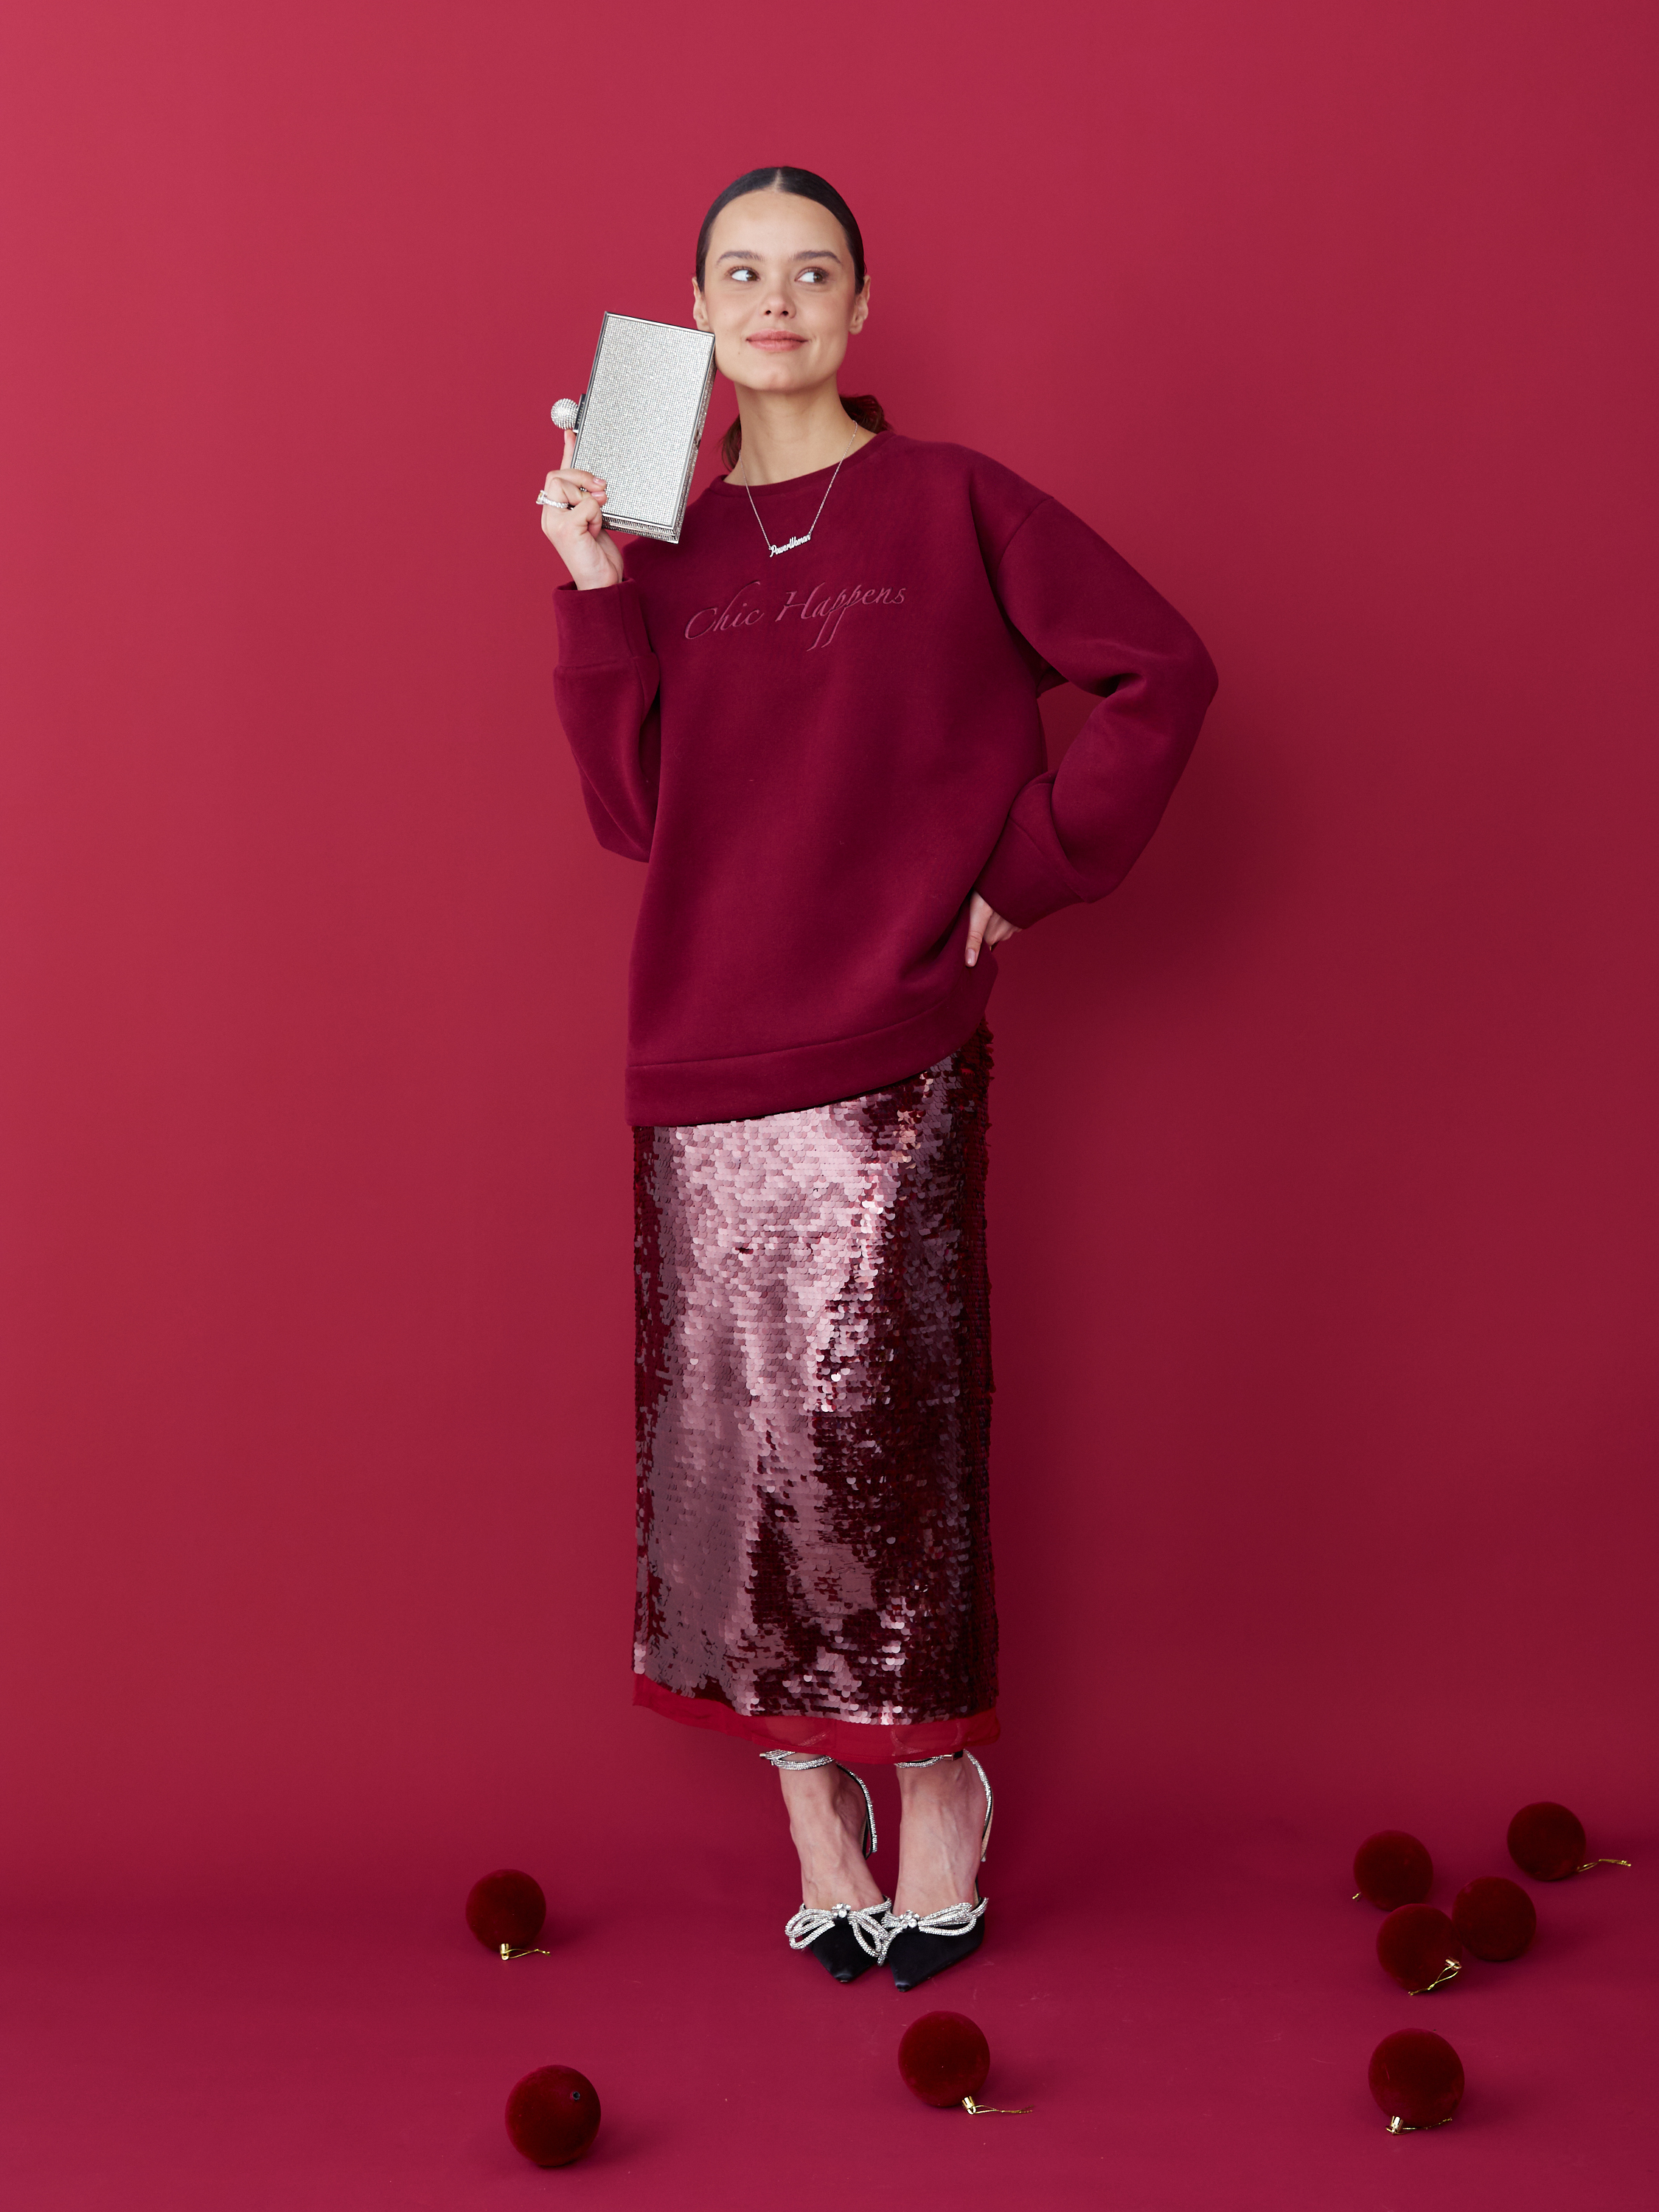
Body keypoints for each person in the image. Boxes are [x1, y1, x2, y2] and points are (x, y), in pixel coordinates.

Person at [539, 166, 1216, 1991]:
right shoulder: (664, 549)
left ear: (858, 308)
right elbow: (637, 815)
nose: (776, 299)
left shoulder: (956, 501)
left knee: (890, 1447)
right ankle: (812, 1815)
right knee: (732, 1469)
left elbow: (1161, 671)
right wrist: (595, 588)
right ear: (696, 308)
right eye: (741, 273)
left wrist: (1031, 867)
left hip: (891, 1048)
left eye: (812, 270)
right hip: (699, 1053)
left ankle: (934, 1786)